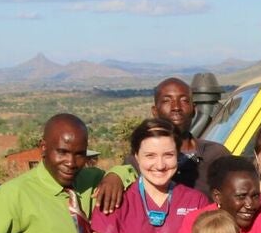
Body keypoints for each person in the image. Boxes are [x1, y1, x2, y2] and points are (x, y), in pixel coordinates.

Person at [94, 76, 231, 209]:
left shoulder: (216, 155)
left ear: (194, 110)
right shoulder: (139, 162)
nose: (176, 107)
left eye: (184, 100)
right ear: (155, 111)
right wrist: (114, 176)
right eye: (166, 101)